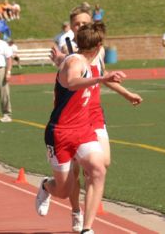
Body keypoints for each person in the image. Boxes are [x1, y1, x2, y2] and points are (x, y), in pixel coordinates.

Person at [50, 5, 142, 232]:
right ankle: (76, 211)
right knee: (71, 175)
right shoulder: (67, 46)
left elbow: (102, 76)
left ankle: (87, 223)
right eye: (77, 23)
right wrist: (63, 58)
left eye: (84, 22)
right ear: (71, 26)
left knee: (102, 164)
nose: (81, 26)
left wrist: (126, 93)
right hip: (71, 117)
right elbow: (70, 74)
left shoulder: (97, 49)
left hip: (94, 112)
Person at [34, 24, 126, 234]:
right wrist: (102, 79)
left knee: (98, 168)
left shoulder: (85, 61)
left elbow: (65, 67)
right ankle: (46, 186)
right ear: (99, 45)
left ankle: (87, 229)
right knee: (64, 190)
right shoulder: (76, 62)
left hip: (83, 130)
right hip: (60, 133)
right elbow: (73, 82)